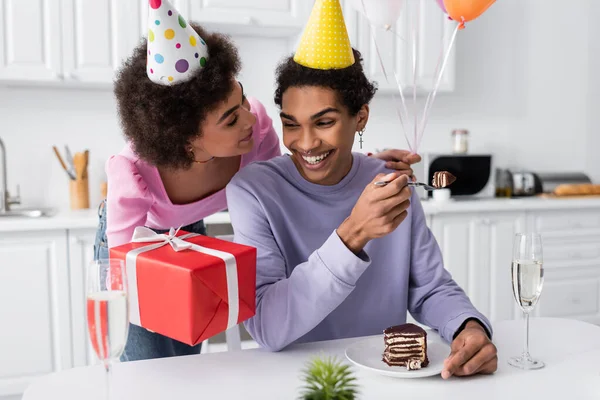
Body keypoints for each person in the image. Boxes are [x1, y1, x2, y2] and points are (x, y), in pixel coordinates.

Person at [94, 0, 420, 362]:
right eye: (231, 119)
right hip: (138, 245)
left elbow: (298, 169)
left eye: (243, 99)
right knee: (148, 362)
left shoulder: (258, 131)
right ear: (187, 139)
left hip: (187, 235)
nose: (250, 118)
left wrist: (363, 164)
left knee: (187, 358)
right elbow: (121, 273)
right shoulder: (132, 172)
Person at [226, 0, 497, 379]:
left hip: (385, 378)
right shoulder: (253, 191)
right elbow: (269, 327)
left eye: (324, 122)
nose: (305, 142)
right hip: (295, 381)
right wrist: (354, 232)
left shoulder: (390, 182)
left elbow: (430, 287)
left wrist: (468, 327)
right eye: (291, 124)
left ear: (361, 117)